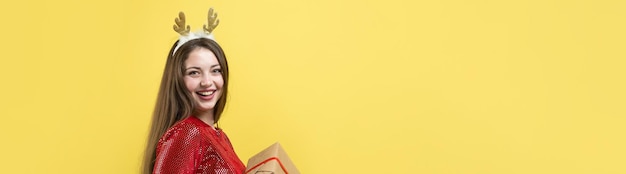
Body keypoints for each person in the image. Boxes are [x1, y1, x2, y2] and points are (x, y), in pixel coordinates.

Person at [142, 9, 246, 174]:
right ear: (178, 80)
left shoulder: (219, 135)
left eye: (215, 70)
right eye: (194, 72)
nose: (206, 82)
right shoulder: (188, 133)